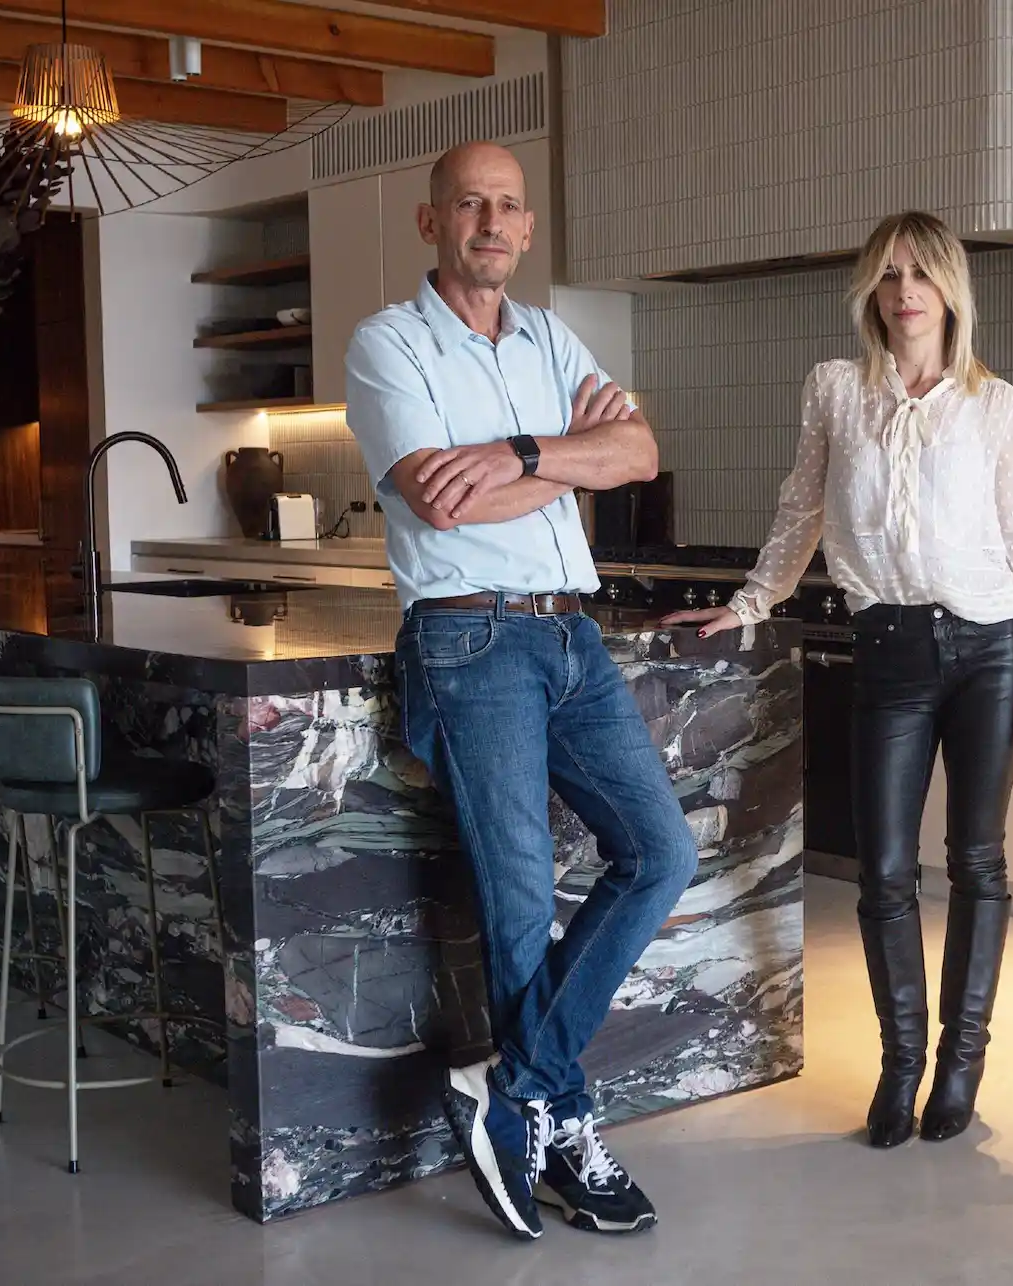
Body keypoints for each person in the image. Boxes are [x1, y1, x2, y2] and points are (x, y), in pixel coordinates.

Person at [344, 141, 698, 1240]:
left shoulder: (553, 339)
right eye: (468, 204)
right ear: (431, 221)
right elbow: (441, 504)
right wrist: (558, 464)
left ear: (527, 228)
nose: (489, 222)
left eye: (507, 207)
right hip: (467, 640)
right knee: (517, 902)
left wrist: (513, 450)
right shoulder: (387, 343)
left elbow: (637, 452)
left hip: (569, 636)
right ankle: (560, 1125)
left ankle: (515, 1088)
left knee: (662, 850)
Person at [665, 210, 1013, 1149]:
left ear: (950, 288)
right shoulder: (835, 391)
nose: (904, 292)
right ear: (871, 294)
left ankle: (961, 1067)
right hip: (889, 649)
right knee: (884, 870)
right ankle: (902, 1067)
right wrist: (751, 603)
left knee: (978, 860)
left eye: (921, 274)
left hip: (987, 646)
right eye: (888, 276)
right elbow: (800, 508)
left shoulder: (992, 403)